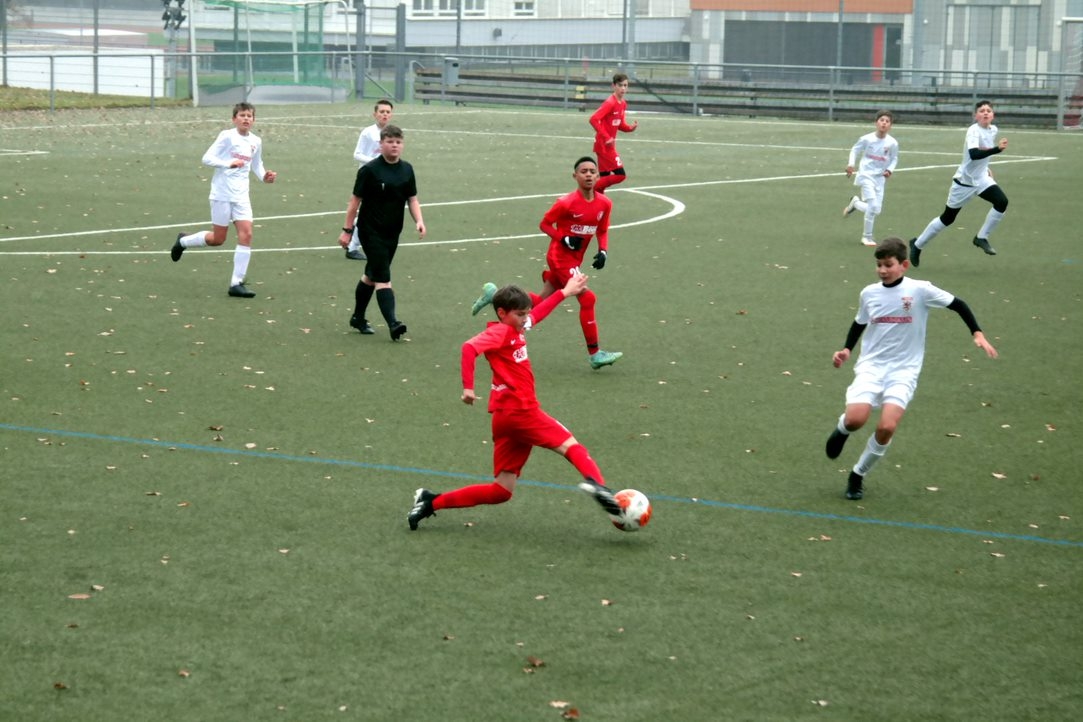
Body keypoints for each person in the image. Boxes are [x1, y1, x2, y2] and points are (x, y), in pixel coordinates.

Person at [408, 273, 623, 530]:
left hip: (505, 417)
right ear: (502, 313)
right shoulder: (500, 332)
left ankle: (430, 502)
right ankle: (600, 487)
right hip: (521, 411)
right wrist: (468, 388)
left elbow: (539, 314)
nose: (525, 320)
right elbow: (469, 348)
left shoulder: (516, 327)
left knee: (501, 490)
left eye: (525, 314)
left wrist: (565, 292)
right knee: (572, 446)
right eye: (520, 315)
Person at [825, 237, 998, 501]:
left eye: (888, 265)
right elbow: (859, 322)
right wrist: (846, 349)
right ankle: (842, 430)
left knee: (886, 427)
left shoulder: (920, 290)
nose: (883, 270)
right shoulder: (869, 293)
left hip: (904, 371)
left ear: (904, 265)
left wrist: (977, 333)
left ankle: (857, 475)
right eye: (879, 265)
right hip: (872, 366)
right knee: (855, 419)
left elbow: (958, 304)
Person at [471, 156, 622, 370]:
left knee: (540, 302)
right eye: (583, 171)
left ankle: (495, 294)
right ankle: (595, 354)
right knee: (587, 297)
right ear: (575, 176)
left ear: (598, 176)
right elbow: (544, 224)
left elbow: (602, 229)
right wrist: (564, 238)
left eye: (592, 171)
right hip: (559, 257)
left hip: (573, 260)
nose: (588, 174)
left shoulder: (604, 204)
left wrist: (603, 250)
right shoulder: (566, 203)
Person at [170, 102, 277, 298]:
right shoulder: (226, 136)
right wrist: (228, 163)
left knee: (247, 235)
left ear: (254, 120)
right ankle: (183, 241)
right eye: (242, 115)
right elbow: (207, 158)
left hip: (242, 196)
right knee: (218, 239)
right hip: (221, 194)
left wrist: (265, 176)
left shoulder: (256, 141)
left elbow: (257, 164)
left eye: (249, 116)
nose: (246, 118)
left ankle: (236, 283)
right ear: (234, 119)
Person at [338, 125, 425, 341]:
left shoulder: (407, 169)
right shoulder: (370, 170)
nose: (394, 145)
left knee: (371, 275)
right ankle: (393, 323)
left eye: (398, 141)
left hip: (392, 232)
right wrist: (347, 231)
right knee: (383, 277)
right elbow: (354, 202)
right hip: (370, 231)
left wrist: (420, 221)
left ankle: (358, 317)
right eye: (390, 141)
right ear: (381, 144)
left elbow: (412, 199)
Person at [909, 100, 1009, 267]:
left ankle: (981, 237)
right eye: (982, 111)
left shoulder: (993, 130)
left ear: (993, 115)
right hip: (964, 182)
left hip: (982, 179)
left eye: (988, 111)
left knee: (1001, 202)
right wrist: (997, 149)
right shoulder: (973, 130)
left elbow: (983, 154)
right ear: (975, 115)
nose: (985, 113)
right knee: (947, 219)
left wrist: (987, 168)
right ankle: (917, 244)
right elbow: (974, 154)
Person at [344, 99, 395, 261]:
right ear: (375, 114)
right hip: (368, 178)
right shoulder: (368, 132)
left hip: (384, 179)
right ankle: (353, 246)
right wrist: (374, 163)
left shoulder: (392, 133)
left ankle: (356, 244)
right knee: (368, 212)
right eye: (382, 112)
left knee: (378, 212)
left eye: (387, 112)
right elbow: (357, 154)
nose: (385, 115)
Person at [843, 110, 899, 247]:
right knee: (873, 206)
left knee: (876, 210)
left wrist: (889, 170)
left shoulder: (892, 143)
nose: (884, 123)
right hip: (866, 175)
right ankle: (866, 237)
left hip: (880, 178)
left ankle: (855, 203)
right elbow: (855, 150)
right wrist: (851, 164)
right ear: (876, 123)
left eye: (887, 121)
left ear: (890, 125)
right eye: (882, 120)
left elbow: (894, 158)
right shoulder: (866, 139)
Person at [589, 72, 638, 194]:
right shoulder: (610, 103)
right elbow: (593, 119)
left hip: (607, 146)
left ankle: (597, 207)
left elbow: (619, 124)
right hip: (604, 145)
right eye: (620, 85)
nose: (623, 88)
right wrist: (606, 137)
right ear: (614, 86)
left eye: (625, 85)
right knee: (620, 175)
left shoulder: (623, 104)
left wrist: (630, 128)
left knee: (604, 179)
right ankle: (588, 189)